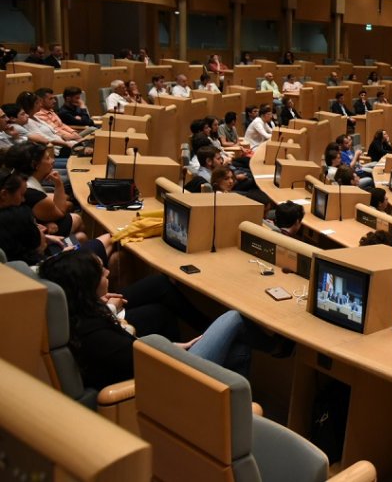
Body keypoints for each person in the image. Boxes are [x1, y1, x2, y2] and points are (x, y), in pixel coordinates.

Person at [39, 250, 254, 389]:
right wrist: (180, 351)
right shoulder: (96, 333)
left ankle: (230, 410)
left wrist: (175, 346)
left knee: (238, 350)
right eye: (101, 273)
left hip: (157, 367)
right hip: (169, 383)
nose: (107, 272)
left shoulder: (76, 317)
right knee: (234, 318)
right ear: (86, 286)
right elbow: (144, 358)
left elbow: (138, 350)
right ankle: (272, 348)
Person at [4, 142, 83, 237]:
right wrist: (59, 184)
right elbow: (60, 212)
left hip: (31, 226)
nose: (52, 161)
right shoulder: (31, 192)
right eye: (47, 158)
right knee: (77, 220)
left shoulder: (15, 177)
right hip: (30, 237)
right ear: (35, 165)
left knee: (68, 204)